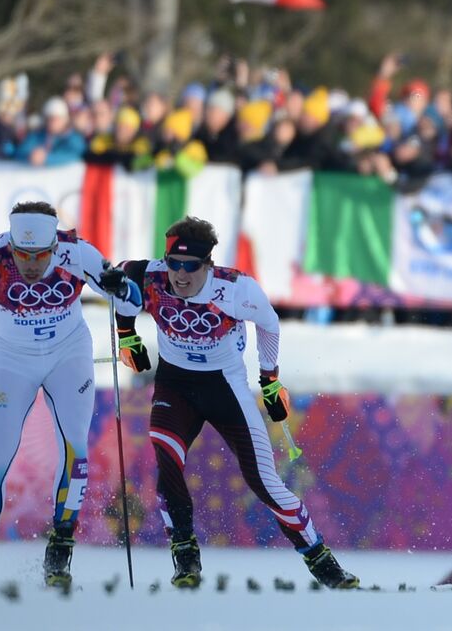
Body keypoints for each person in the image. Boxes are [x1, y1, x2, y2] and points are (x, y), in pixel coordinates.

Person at [112, 217, 359, 590]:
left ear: (207, 264)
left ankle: (321, 560)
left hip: (225, 387)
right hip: (175, 385)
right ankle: (185, 556)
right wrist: (126, 334)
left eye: (190, 267)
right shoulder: (148, 276)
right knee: (166, 458)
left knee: (263, 481)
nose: (179, 275)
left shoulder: (235, 288)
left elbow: (270, 323)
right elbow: (120, 286)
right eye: (173, 263)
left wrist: (270, 379)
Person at [0, 202, 140, 589]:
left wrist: (119, 285)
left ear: (54, 245)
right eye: (22, 254)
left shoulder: (78, 252)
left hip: (69, 356)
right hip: (12, 362)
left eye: (41, 255)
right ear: (11, 244)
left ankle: (60, 550)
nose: (31, 264)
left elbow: (131, 302)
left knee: (76, 449)